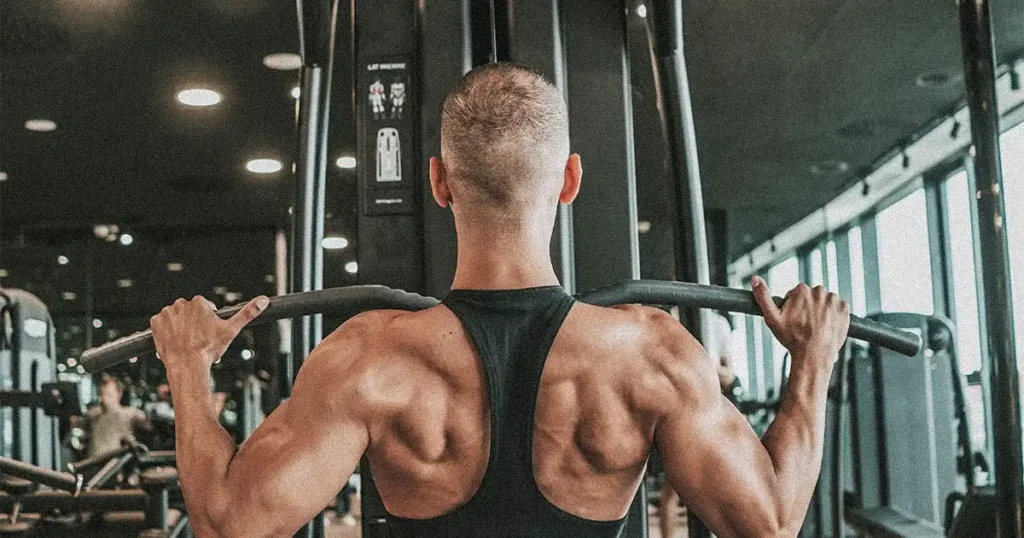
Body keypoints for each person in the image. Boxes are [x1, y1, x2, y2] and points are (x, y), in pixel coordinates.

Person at [150, 62, 850, 538]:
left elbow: (227, 523)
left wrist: (187, 368)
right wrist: (811, 363)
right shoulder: (651, 354)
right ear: (571, 180)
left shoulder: (368, 358)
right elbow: (771, 524)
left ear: (438, 182)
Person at [86, 375, 150, 458]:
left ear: (119, 393)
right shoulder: (93, 415)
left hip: (117, 462)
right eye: (101, 394)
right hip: (94, 461)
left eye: (108, 395)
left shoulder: (130, 413)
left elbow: (147, 425)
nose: (103, 399)